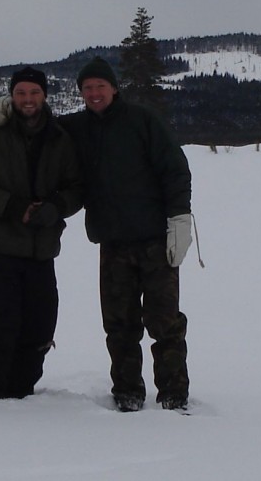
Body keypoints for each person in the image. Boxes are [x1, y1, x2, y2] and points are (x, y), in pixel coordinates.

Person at [59, 57, 194, 412]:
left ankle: (174, 392)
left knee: (165, 322)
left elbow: (174, 169)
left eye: (100, 86)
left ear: (114, 88)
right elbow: (36, 125)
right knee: (119, 324)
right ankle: (127, 390)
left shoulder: (142, 120)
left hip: (155, 239)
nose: (94, 93)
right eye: (87, 88)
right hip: (113, 242)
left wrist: (179, 217)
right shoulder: (76, 128)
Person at [0, 66, 83, 404]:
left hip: (42, 249)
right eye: (21, 93)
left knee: (40, 327)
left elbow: (76, 186)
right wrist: (12, 207)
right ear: (11, 96)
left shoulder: (59, 138)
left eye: (34, 92)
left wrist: (56, 207)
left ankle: (21, 395)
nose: (28, 99)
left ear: (45, 95)